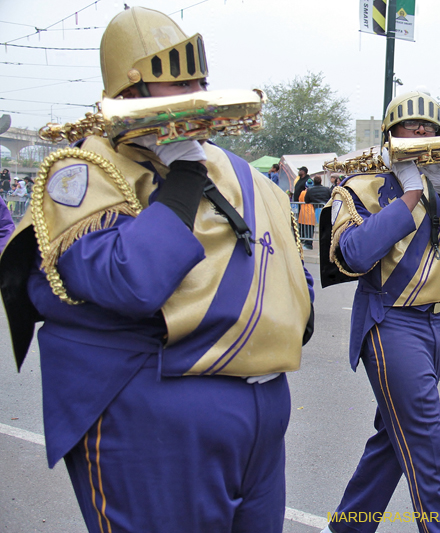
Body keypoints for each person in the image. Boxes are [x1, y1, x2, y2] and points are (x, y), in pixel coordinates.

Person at [0, 7, 313, 532]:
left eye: (197, 82)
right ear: (126, 95)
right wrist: (185, 175)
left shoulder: (241, 171)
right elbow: (129, 280)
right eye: (174, 84)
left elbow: (295, 293)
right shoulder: (85, 167)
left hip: (262, 409)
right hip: (153, 416)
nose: (192, 95)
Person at [321, 90, 440, 533]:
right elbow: (354, 255)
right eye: (409, 127)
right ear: (389, 135)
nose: (420, 134)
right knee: (428, 448)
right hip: (389, 322)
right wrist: (410, 193)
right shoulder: (361, 186)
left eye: (429, 128)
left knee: (391, 443)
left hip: (434, 326)